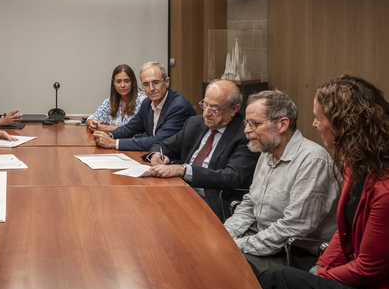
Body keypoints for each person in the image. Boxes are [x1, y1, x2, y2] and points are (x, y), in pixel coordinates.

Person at [259, 75, 389, 289]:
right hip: (352, 273)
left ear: (343, 125)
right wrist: (318, 267)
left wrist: (321, 275)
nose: (314, 124)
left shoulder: (384, 190)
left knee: (277, 278)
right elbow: (344, 232)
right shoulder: (353, 162)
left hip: (374, 287)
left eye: (318, 118)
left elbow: (368, 270)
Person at [223, 89, 339, 277]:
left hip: (293, 252)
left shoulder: (312, 160)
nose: (246, 130)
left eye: (254, 123)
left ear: (282, 124)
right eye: (246, 123)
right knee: (206, 249)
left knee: (224, 266)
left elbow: (293, 227)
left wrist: (237, 245)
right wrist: (224, 235)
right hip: (262, 236)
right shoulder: (267, 152)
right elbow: (251, 203)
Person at [148, 80, 260, 221]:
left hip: (211, 202)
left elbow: (231, 177)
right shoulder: (195, 123)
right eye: (205, 105)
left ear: (234, 109)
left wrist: (184, 170)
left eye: (214, 109)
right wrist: (156, 154)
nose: (206, 113)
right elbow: (163, 145)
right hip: (180, 191)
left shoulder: (245, 135)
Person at [93, 61, 195, 151]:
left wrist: (114, 143)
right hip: (156, 156)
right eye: (146, 84)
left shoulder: (179, 107)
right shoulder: (147, 103)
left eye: (155, 82)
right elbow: (130, 128)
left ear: (167, 82)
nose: (151, 89)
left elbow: (159, 140)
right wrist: (108, 135)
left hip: (176, 161)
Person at [86, 64, 147, 133]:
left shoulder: (144, 100)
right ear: (114, 83)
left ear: (132, 82)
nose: (122, 85)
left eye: (127, 81)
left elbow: (136, 130)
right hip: (110, 139)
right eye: (118, 81)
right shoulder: (110, 101)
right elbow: (92, 118)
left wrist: (105, 128)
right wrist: (92, 124)